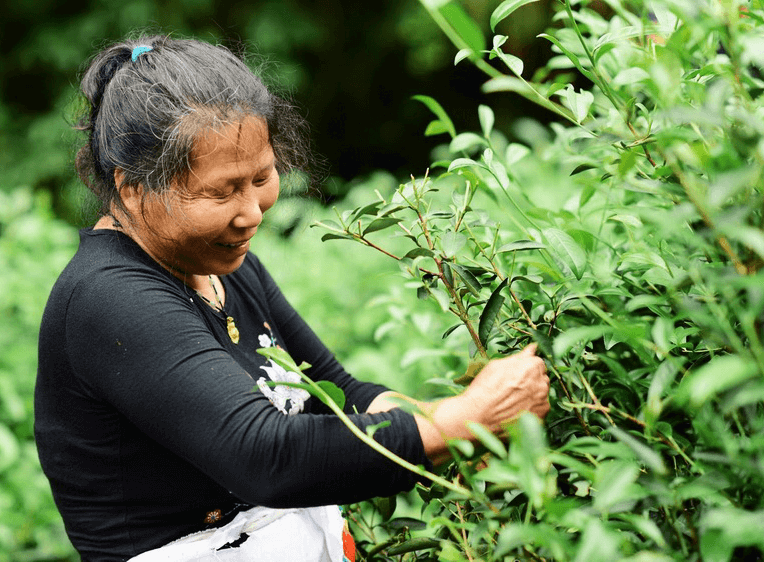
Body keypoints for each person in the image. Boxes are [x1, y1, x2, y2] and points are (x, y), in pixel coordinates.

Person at [34, 34, 550, 562]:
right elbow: (265, 457)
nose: (253, 211)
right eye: (221, 191)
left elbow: (337, 392)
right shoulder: (109, 298)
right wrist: (459, 421)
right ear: (131, 188)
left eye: (262, 177)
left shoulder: (223, 267)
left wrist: (466, 422)